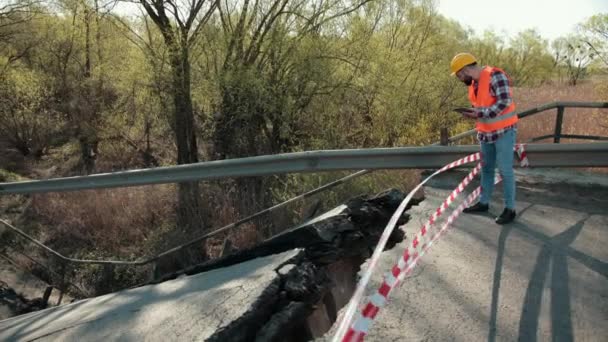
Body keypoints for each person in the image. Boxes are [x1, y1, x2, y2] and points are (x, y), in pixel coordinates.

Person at [450, 52, 518, 225]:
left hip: (504, 132)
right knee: (487, 169)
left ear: (465, 69)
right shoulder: (474, 84)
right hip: (486, 133)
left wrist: (478, 113)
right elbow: (482, 106)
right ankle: (484, 202)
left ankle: (510, 209)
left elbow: (503, 102)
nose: (459, 78)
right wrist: (473, 113)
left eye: (459, 75)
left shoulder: (495, 75)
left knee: (505, 171)